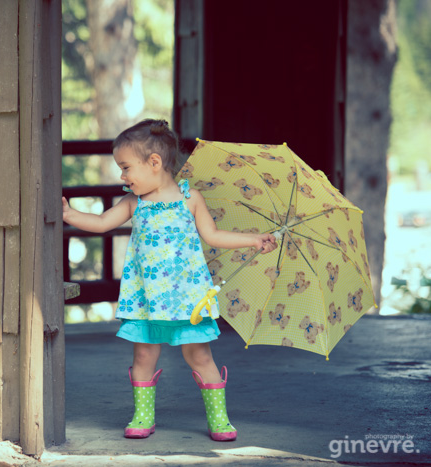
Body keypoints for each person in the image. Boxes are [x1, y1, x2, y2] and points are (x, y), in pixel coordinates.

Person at [61, 119, 277, 441]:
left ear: (154, 163)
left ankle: (219, 419)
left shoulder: (191, 199)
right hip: (147, 298)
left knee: (200, 355)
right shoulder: (135, 202)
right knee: (144, 354)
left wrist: (253, 240)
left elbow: (213, 235)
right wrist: (69, 215)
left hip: (188, 298)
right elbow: (103, 222)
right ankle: (142, 416)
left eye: (125, 168)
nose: (122, 177)